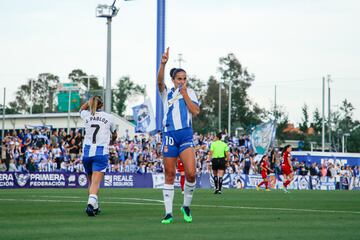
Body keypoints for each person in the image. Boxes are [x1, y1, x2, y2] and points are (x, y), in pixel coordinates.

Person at [157, 47, 200, 224]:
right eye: (179, 79)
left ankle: (186, 205)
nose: (182, 81)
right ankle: (168, 213)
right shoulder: (166, 93)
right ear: (173, 80)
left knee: (191, 173)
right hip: (169, 135)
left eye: (184, 79)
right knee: (169, 173)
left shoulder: (190, 92)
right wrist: (163, 63)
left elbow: (195, 111)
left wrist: (184, 94)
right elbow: (159, 82)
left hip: (185, 135)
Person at [80, 96, 117, 216]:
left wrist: (89, 103)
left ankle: (95, 206)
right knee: (95, 183)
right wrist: (112, 140)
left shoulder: (86, 115)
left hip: (86, 153)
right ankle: (90, 205)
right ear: (102, 105)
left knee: (91, 182)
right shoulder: (109, 117)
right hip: (100, 153)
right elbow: (115, 134)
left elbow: (81, 109)